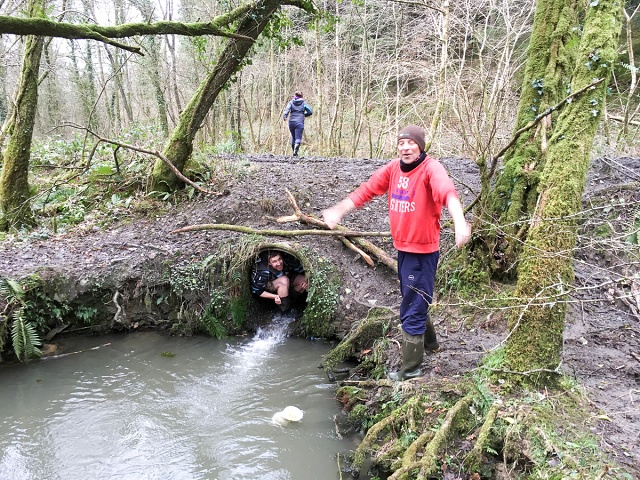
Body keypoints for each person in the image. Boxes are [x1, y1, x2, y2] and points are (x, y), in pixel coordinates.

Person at [322, 125, 471, 381]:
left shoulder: (431, 168)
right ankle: (432, 345)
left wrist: (459, 222)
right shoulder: (393, 168)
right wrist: (338, 211)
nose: (405, 147)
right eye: (401, 143)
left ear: (420, 146)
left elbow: (448, 192)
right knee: (415, 300)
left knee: (411, 308)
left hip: (422, 254)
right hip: (403, 249)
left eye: (411, 143)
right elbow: (367, 190)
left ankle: (411, 370)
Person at [282, 91, 313, 156]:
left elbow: (287, 110)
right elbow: (310, 111)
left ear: (295, 95)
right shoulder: (303, 103)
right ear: (302, 96)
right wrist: (304, 114)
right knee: (298, 138)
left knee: (293, 137)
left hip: (291, 122)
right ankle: (295, 151)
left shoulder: (291, 102)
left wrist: (285, 116)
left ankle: (294, 153)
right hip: (299, 122)